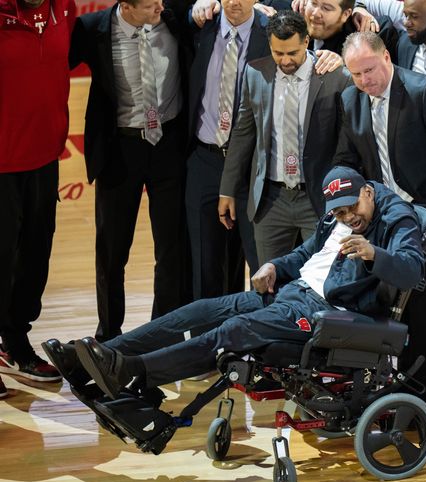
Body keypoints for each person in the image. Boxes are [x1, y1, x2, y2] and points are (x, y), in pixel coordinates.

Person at [46, 167, 425, 413]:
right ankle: (97, 356)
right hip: (292, 291)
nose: (348, 218)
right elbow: (309, 251)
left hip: (324, 313)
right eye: (339, 213)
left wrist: (375, 253)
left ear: (369, 193)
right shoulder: (338, 216)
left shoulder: (397, 219)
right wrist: (275, 265)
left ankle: (134, 372)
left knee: (234, 332)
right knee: (200, 310)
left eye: (352, 209)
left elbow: (411, 271)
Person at [333, 31, 426, 410]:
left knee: (420, 309)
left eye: (369, 70)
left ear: (386, 57)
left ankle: (420, 404)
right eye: (356, 74)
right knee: (400, 305)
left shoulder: (423, 91)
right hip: (385, 214)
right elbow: (347, 159)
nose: (365, 80)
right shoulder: (350, 99)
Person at [69, 0, 193, 342]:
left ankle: (163, 333)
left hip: (169, 145)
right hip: (119, 149)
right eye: (151, 4)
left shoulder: (173, 16)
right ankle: (109, 334)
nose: (161, 7)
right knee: (112, 249)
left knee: (171, 248)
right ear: (127, 6)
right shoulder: (92, 29)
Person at [220, 11, 351, 266]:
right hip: (271, 199)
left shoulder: (335, 77)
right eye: (278, 53)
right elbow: (243, 134)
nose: (285, 60)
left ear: (306, 41)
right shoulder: (255, 74)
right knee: (267, 281)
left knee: (319, 281)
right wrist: (227, 189)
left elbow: (347, 141)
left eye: (292, 53)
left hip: (318, 199)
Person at [0, 0, 77, 392]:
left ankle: (14, 344)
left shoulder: (63, 8)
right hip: (1, 162)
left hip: (45, 157)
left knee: (33, 256)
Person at [184, 0, 268, 300]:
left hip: (251, 165)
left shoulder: (272, 33)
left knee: (260, 265)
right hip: (204, 160)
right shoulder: (198, 27)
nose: (234, 1)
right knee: (204, 265)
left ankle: (258, 344)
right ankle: (204, 345)